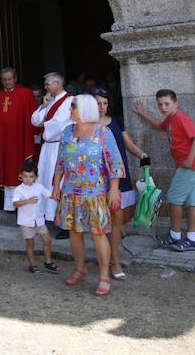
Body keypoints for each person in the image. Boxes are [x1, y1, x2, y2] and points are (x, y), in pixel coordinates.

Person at [52, 95, 124, 297]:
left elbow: (116, 163)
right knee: (74, 232)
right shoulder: (67, 131)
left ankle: (103, 276)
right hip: (70, 192)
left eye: (72, 106)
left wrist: (113, 189)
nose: (70, 109)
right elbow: (60, 161)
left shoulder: (103, 133)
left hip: (95, 193)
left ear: (84, 109)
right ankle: (80, 268)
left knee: (98, 234)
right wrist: (56, 185)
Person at [133, 89, 195, 251]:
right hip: (192, 165)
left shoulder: (179, 117)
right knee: (191, 203)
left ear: (175, 103)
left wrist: (189, 158)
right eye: (160, 105)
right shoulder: (171, 119)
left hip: (189, 165)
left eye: (167, 104)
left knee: (174, 199)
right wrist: (143, 113)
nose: (163, 107)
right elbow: (160, 126)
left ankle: (175, 235)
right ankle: (192, 239)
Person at [93, 88, 148, 280]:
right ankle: (108, 261)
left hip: (118, 176)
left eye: (105, 103)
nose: (101, 107)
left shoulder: (116, 121)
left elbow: (128, 144)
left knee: (117, 220)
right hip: (99, 179)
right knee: (103, 222)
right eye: (98, 103)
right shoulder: (88, 125)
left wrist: (142, 155)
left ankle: (113, 260)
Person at [0, 67, 37, 212]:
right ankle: (9, 206)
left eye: (9, 79)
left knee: (21, 170)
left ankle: (24, 207)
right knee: (7, 172)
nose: (7, 82)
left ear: (15, 79)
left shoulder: (26, 94)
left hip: (20, 141)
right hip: (4, 143)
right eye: (4, 80)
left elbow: (34, 116)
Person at [31, 72, 73, 238]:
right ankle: (50, 217)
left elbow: (59, 124)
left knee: (60, 183)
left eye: (48, 84)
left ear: (58, 83)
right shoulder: (52, 102)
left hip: (59, 148)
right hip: (48, 149)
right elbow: (35, 120)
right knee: (46, 182)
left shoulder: (70, 101)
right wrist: (44, 104)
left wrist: (45, 126)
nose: (46, 87)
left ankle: (66, 224)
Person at [11, 160, 59, 274]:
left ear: (36, 177)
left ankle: (48, 262)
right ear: (20, 176)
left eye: (31, 176)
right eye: (25, 176)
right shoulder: (19, 189)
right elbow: (15, 203)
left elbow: (48, 194)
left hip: (39, 220)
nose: (28, 179)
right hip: (26, 222)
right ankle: (32, 265)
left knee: (47, 240)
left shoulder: (39, 187)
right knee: (30, 243)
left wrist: (57, 196)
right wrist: (27, 201)